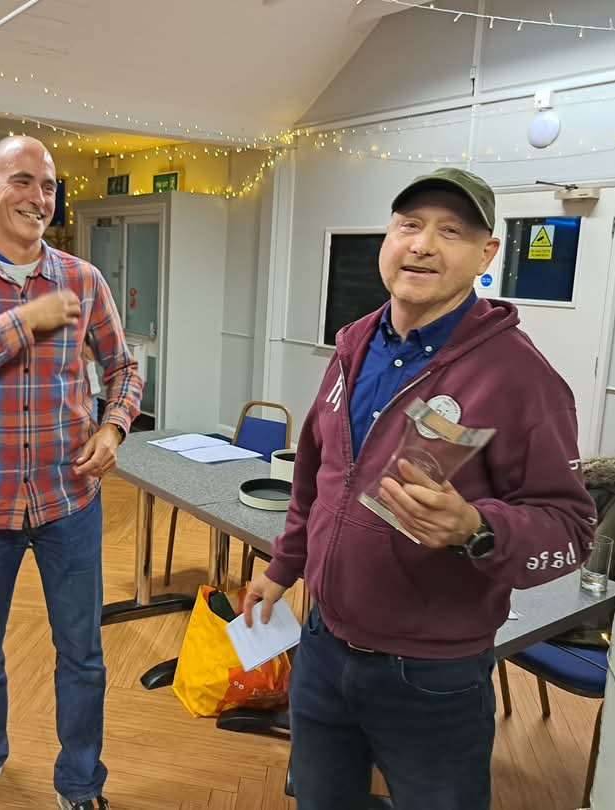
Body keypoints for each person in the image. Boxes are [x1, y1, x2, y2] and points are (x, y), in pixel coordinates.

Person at [242, 168, 597, 810]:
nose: (423, 244)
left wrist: (477, 530)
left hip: (432, 674)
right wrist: (283, 566)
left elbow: (572, 530)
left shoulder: (521, 378)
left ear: (486, 254)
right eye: (410, 225)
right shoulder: (353, 346)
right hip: (322, 647)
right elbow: (317, 479)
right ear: (389, 236)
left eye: (451, 231)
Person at [0, 135, 142, 810]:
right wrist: (22, 321)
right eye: (21, 181)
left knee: (83, 656)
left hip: (70, 501)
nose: (38, 197)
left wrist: (113, 424)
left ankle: (80, 784)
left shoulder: (83, 280)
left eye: (47, 185)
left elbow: (124, 369)